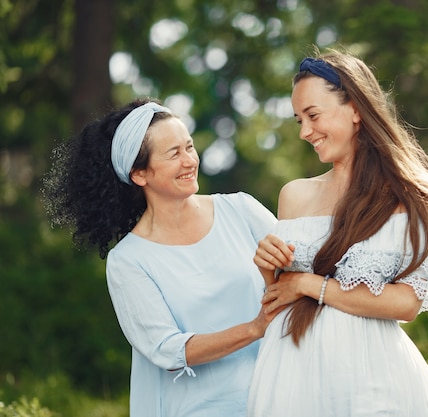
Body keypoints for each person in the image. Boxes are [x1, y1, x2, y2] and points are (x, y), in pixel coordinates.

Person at [247, 50, 428, 417]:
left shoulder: (403, 198)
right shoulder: (294, 195)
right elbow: (278, 296)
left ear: (355, 109)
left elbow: (406, 304)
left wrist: (310, 284)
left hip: (371, 380)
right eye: (299, 120)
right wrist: (267, 266)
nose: (305, 132)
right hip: (291, 376)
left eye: (314, 115)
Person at [42, 98, 280, 417]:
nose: (189, 161)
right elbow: (167, 350)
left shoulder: (240, 209)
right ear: (140, 174)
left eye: (189, 147)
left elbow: (300, 267)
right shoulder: (128, 261)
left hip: (276, 399)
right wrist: (255, 328)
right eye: (173, 153)